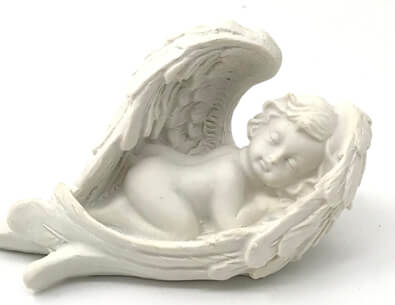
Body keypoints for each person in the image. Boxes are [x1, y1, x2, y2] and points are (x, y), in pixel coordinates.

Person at [88, 94, 337, 240]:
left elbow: (187, 161)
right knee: (184, 232)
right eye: (274, 140)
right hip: (155, 185)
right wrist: (260, 208)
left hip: (154, 172)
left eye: (290, 162)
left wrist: (149, 155)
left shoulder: (230, 154)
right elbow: (227, 227)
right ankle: (118, 215)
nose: (273, 158)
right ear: (258, 126)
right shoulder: (231, 176)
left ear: (297, 179)